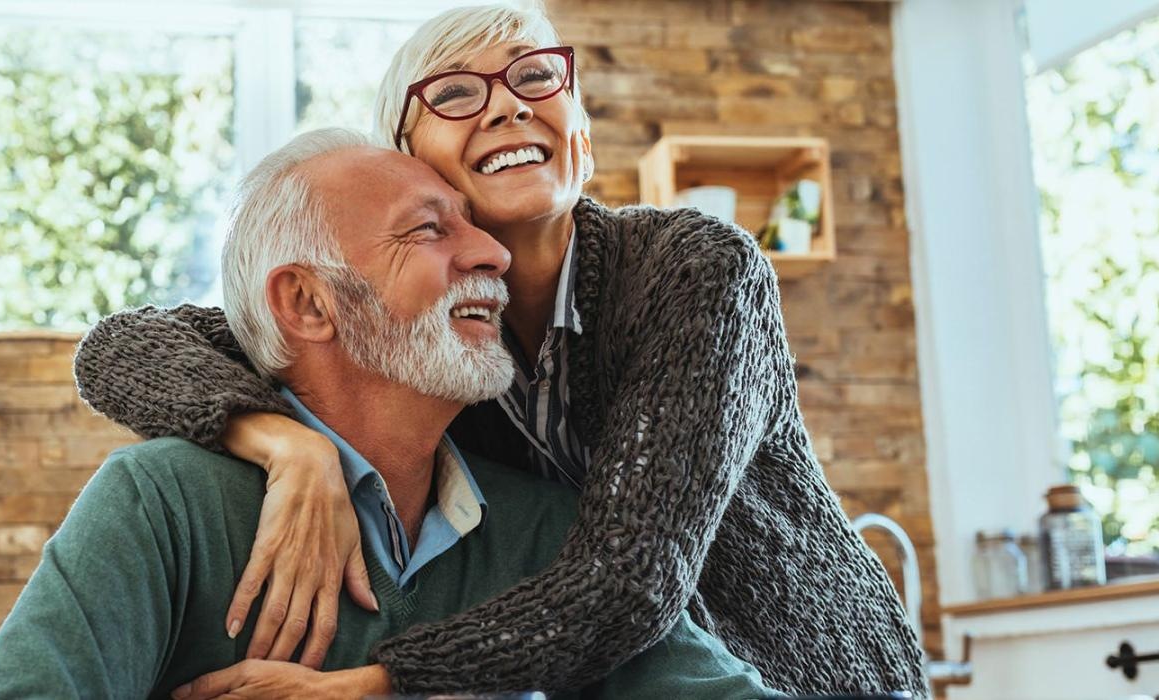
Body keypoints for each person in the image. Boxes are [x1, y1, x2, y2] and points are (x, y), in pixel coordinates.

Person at [72, 4, 926, 697]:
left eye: (533, 75)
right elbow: (122, 346)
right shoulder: (418, 336)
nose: (510, 104)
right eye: (454, 94)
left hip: (808, 673)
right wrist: (282, 441)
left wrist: (374, 685)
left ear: (580, 133)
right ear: (410, 165)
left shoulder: (696, 270)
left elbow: (631, 581)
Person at [0, 129, 773, 699]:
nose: (490, 252)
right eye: (427, 230)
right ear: (308, 302)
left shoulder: (551, 532)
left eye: (474, 226)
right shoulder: (163, 504)